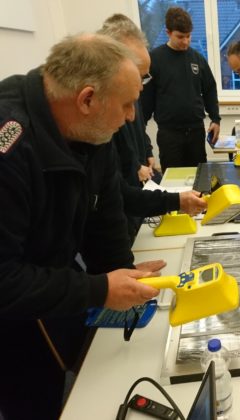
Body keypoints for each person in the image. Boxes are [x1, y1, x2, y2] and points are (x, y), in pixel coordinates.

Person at [0, 34, 173, 420]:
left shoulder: (91, 127)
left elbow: (105, 210)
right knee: (32, 398)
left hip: (53, 276)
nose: (132, 117)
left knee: (89, 377)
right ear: (87, 98)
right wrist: (99, 288)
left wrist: (122, 271)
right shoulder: (9, 145)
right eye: (127, 105)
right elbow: (4, 278)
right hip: (10, 310)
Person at [98, 14, 207, 244]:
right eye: (139, 77)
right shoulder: (100, 121)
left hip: (134, 206)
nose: (141, 87)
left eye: (144, 79)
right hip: (119, 218)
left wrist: (145, 153)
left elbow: (137, 128)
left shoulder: (128, 93)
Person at [141, 7, 221, 173]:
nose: (185, 41)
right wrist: (140, 128)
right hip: (169, 134)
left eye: (188, 36)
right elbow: (146, 97)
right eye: (180, 37)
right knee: (172, 180)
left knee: (199, 178)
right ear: (168, 32)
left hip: (195, 131)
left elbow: (210, 89)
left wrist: (215, 118)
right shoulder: (154, 59)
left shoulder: (197, 58)